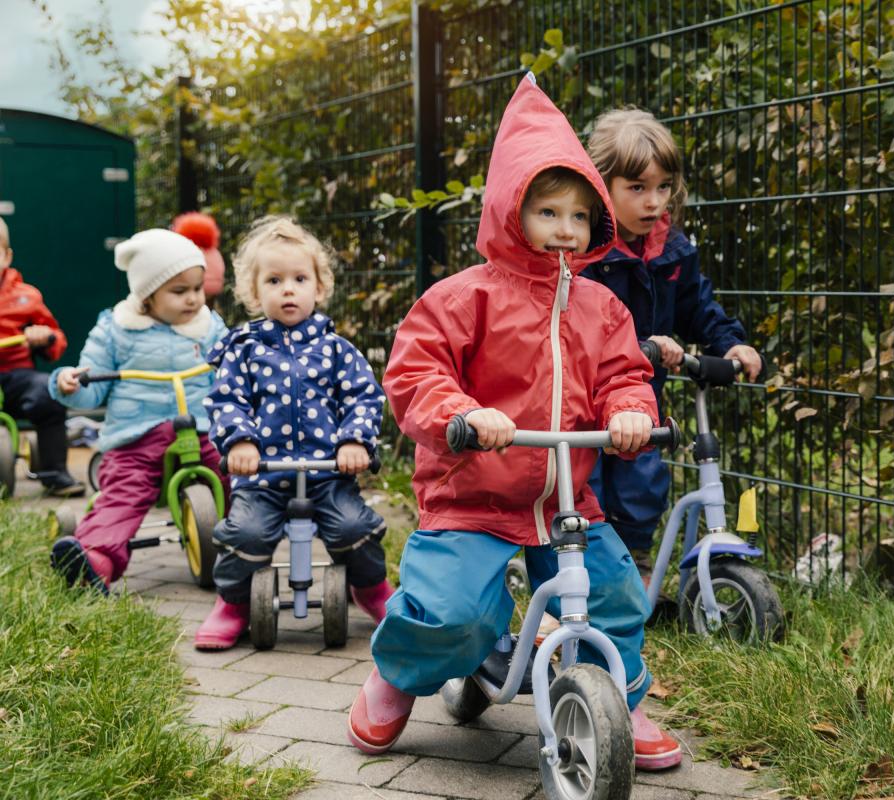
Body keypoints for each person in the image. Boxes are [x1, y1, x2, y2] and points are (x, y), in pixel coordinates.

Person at [346, 75, 683, 771]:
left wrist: (628, 411)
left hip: (567, 498)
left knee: (614, 593)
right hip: (471, 497)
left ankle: (619, 694)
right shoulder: (461, 298)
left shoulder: (601, 308)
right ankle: (398, 675)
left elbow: (626, 372)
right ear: (509, 211)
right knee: (450, 612)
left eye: (581, 216)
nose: (566, 228)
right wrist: (464, 415)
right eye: (548, 211)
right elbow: (416, 375)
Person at [194, 215, 393, 650]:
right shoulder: (242, 350)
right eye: (274, 280)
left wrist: (355, 441)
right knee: (244, 534)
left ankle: (371, 590)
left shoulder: (337, 349)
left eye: (299, 278)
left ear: (318, 288)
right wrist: (241, 442)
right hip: (263, 477)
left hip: (327, 474)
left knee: (353, 527)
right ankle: (233, 603)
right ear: (253, 291)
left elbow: (363, 397)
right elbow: (227, 400)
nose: (288, 289)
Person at [580, 107, 763, 579]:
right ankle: (577, 577)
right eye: (637, 188)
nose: (653, 202)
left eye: (663, 188)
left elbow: (697, 307)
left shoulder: (673, 250)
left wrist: (730, 344)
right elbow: (574, 329)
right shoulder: (584, 253)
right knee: (586, 485)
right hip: (582, 398)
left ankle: (635, 568)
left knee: (643, 481)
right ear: (603, 185)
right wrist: (642, 344)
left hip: (640, 399)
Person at [49, 228, 228, 592]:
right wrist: (68, 382)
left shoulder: (209, 327)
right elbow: (92, 383)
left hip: (204, 429)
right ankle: (93, 561)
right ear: (147, 295)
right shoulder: (117, 328)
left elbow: (234, 373)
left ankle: (251, 548)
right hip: (136, 437)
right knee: (122, 495)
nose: (193, 299)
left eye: (197, 288)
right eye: (179, 291)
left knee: (238, 475)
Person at [0, 217, 85, 497]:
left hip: (16, 375)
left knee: (48, 393)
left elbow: (56, 340)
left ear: (7, 255)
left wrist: (43, 336)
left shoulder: (27, 297)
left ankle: (54, 472)